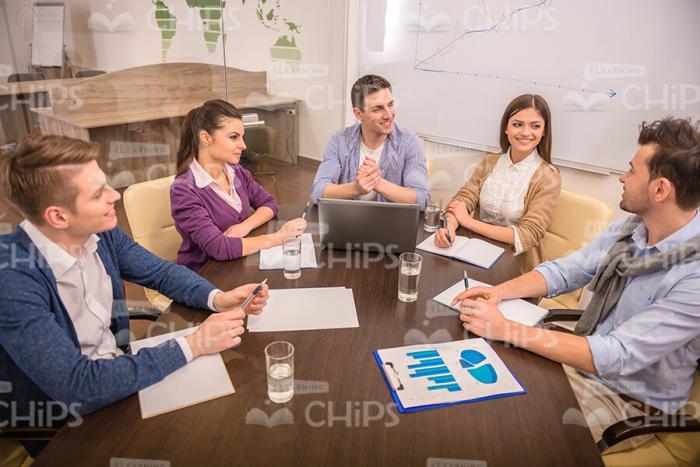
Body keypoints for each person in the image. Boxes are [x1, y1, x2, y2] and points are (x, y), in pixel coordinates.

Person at [0, 134, 269, 457]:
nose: (115, 196)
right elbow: (78, 386)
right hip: (66, 423)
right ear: (58, 216)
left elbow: (159, 272)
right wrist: (194, 343)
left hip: (123, 372)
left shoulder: (101, 231)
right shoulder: (12, 277)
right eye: (99, 193)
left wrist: (216, 297)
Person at [452, 117, 700, 453]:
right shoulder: (633, 228)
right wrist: (500, 291)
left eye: (631, 171)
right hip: (583, 367)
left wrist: (507, 329)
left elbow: (617, 354)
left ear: (660, 190)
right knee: (475, 391)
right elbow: (565, 271)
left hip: (626, 401)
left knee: (505, 434)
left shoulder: (693, 277)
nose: (622, 178)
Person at [171, 99, 307, 272]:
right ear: (205, 138)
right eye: (234, 137)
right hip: (204, 276)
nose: (243, 145)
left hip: (236, 263)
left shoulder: (236, 171)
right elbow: (218, 248)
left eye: (242, 137)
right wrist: (277, 238)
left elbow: (269, 204)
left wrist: (245, 226)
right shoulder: (184, 189)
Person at [435, 94, 561, 272]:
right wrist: (449, 228)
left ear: (544, 131)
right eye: (517, 124)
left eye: (535, 126)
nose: (526, 132)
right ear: (506, 129)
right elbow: (462, 201)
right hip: (473, 255)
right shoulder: (490, 162)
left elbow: (528, 235)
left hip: (515, 268)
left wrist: (469, 222)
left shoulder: (549, 177)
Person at [310, 74, 429, 208]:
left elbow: (422, 198)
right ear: (358, 114)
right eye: (377, 109)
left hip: (391, 224)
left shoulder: (409, 142)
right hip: (347, 221)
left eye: (390, 104)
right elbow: (318, 191)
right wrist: (356, 188)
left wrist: (377, 183)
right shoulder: (339, 140)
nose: (389, 115)